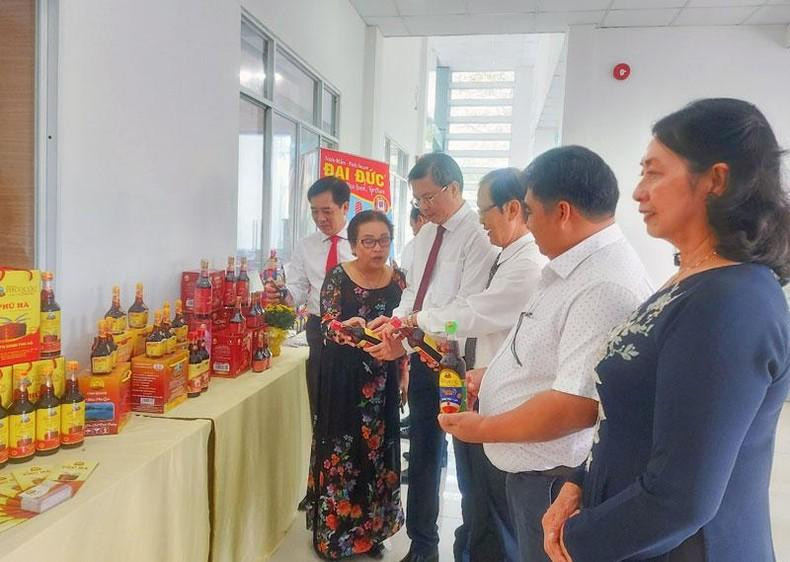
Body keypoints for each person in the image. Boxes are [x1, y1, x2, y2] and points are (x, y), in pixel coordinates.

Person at [543, 99, 790, 562]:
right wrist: (577, 484)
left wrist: (576, 543)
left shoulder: (730, 303)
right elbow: (635, 421)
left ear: (715, 180)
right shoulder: (692, 282)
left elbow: (681, 498)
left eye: (654, 173)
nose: (638, 192)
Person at [438, 146, 653, 562]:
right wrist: (493, 376)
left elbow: (574, 407)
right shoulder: (571, 267)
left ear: (563, 211)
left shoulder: (602, 285)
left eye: (531, 213)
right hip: (532, 469)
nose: (528, 226)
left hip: (551, 477)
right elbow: (545, 350)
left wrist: (481, 428)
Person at [367, 152, 498, 562]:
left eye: (429, 197)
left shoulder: (479, 236)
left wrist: (413, 329)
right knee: (422, 455)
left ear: (454, 188)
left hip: (460, 366)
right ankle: (423, 546)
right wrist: (397, 331)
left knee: (467, 461)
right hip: (423, 359)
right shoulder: (424, 236)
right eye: (418, 200)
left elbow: (467, 309)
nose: (423, 207)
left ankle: (472, 546)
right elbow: (411, 296)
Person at [411, 168, 546, 562]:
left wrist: (418, 322)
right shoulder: (505, 255)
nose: (480, 218)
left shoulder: (526, 265)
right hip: (475, 382)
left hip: (499, 395)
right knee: (476, 498)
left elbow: (476, 314)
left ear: (512, 208)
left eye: (484, 209)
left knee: (492, 510)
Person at [306, 210, 406, 560]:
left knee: (378, 458)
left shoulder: (399, 280)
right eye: (368, 241)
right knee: (343, 455)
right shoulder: (338, 277)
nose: (377, 248)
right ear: (353, 245)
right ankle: (334, 538)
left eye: (383, 240)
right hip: (343, 379)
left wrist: (404, 373)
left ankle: (373, 533)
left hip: (383, 379)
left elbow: (406, 330)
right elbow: (325, 325)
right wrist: (346, 328)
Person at [266, 176, 353, 421]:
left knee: (353, 403)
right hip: (320, 329)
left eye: (327, 211)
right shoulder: (306, 245)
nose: (320, 219)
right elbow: (299, 290)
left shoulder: (362, 241)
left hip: (355, 329)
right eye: (314, 212)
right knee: (320, 400)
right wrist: (283, 294)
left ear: (345, 207)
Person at [400, 205, 427, 277]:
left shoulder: (412, 247)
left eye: (412, 226)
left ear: (420, 220)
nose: (413, 233)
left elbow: (406, 277)